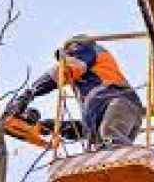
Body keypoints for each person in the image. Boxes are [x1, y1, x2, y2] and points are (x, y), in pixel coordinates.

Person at [8, 36, 144, 149]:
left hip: (120, 100)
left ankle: (122, 168)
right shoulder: (87, 96)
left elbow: (63, 71)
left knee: (110, 138)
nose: (68, 56)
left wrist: (29, 93)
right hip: (122, 108)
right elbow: (84, 129)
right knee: (100, 150)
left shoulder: (87, 49)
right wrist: (55, 126)